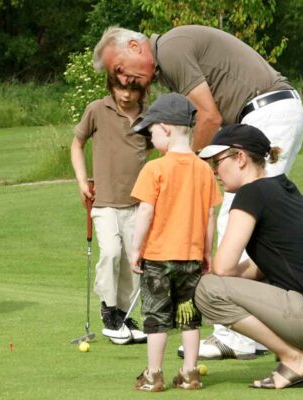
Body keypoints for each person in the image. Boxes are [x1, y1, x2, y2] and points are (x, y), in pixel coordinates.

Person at [93, 24, 303, 359]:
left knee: (236, 222)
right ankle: (264, 327)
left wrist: (185, 170)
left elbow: (208, 116)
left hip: (266, 115)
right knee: (258, 228)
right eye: (116, 76)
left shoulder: (172, 50)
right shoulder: (168, 60)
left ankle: (233, 335)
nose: (122, 80)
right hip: (271, 114)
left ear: (135, 46)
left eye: (120, 68)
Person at [195, 124, 303, 389]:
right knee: (234, 283)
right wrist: (234, 283)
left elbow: (224, 267)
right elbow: (263, 266)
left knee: (208, 289)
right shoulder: (281, 187)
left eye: (218, 162)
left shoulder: (250, 193)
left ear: (240, 158)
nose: (215, 171)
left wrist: (220, 280)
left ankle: (295, 359)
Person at [128, 94, 221, 391]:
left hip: (157, 258)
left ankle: (154, 374)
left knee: (156, 317)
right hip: (192, 258)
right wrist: (207, 253)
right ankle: (190, 372)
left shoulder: (155, 169)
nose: (151, 139)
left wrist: (135, 249)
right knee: (189, 316)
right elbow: (210, 217)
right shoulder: (205, 169)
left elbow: (145, 211)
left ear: (166, 128)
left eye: (151, 132)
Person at [70, 75, 150, 344]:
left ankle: (125, 315)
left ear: (142, 91)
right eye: (120, 88)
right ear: (111, 87)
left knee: (132, 263)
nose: (126, 95)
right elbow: (77, 144)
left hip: (138, 203)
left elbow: (156, 151)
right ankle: (109, 311)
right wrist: (82, 181)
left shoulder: (149, 117)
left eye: (132, 89)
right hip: (103, 201)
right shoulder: (97, 109)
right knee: (111, 253)